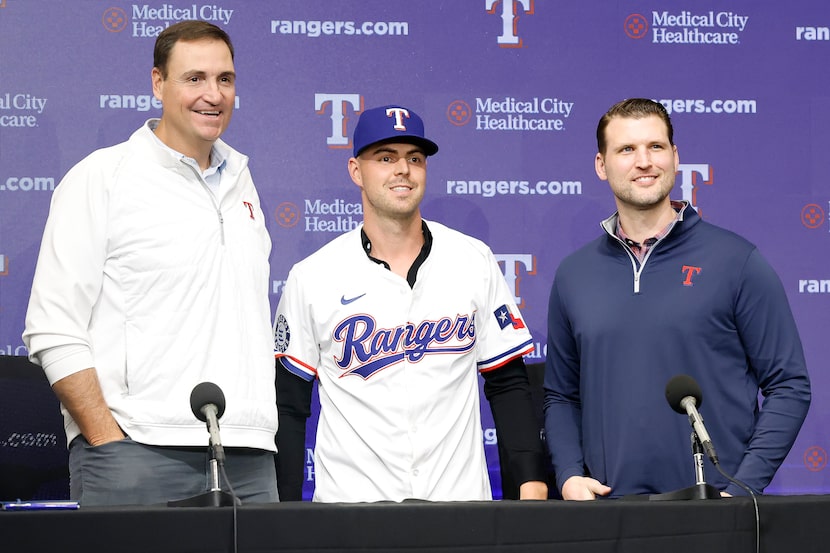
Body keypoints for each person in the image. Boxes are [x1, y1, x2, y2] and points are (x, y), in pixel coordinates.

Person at [22, 20, 278, 506]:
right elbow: (52, 327)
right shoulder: (102, 177)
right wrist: (106, 439)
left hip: (248, 454)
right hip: (136, 454)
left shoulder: (243, 183)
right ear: (158, 83)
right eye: (194, 78)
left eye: (225, 79)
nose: (213, 94)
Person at [273, 104, 549, 502]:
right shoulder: (312, 276)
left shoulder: (474, 260)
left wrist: (531, 481)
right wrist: (285, 512)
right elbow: (290, 404)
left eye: (414, 159)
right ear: (356, 171)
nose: (403, 169)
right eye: (386, 158)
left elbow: (506, 382)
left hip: (459, 504)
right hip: (352, 510)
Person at [543, 97, 811, 500]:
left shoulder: (736, 261)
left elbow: (789, 385)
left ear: (675, 156)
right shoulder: (573, 275)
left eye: (656, 147)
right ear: (602, 165)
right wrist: (568, 475)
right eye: (626, 149)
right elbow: (561, 395)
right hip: (609, 511)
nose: (644, 161)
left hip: (714, 512)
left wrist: (744, 486)